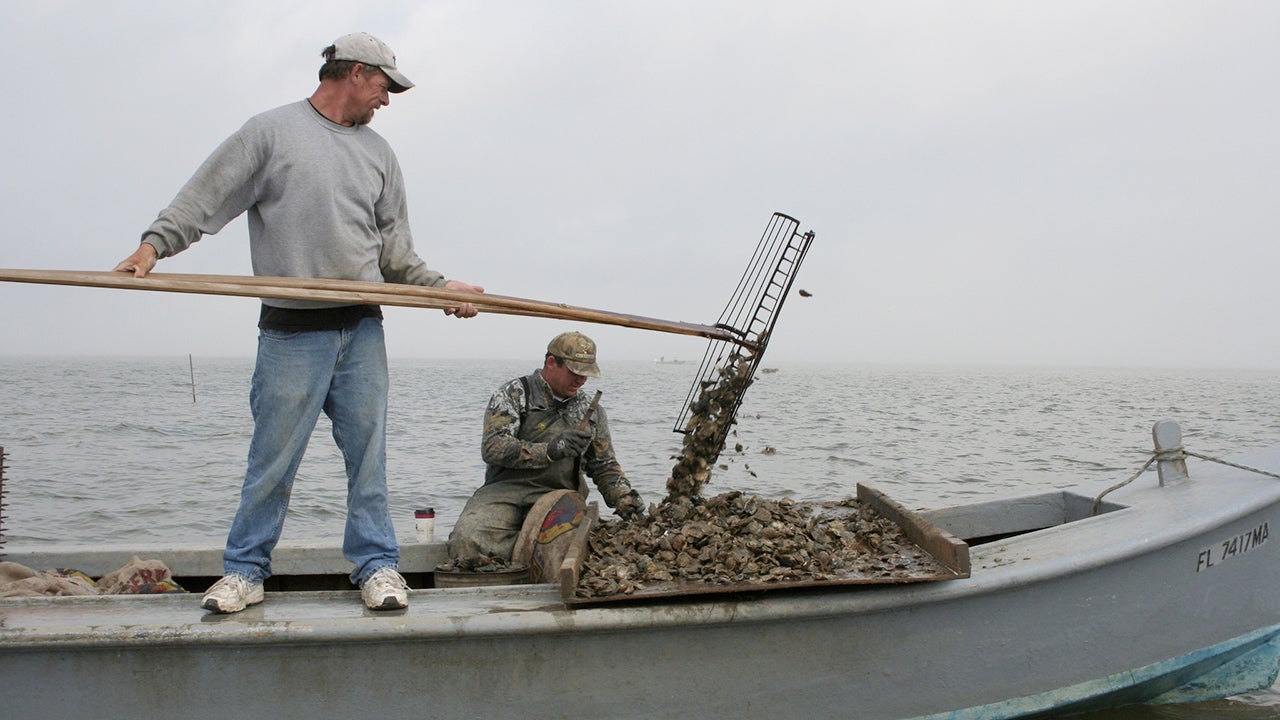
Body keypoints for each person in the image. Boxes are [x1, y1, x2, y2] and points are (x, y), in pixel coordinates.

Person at [114, 32, 484, 613]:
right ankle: (245, 572)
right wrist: (151, 248)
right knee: (271, 464)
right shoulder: (270, 132)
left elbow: (396, 256)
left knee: (369, 461)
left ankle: (378, 567)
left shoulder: (380, 154)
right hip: (290, 333)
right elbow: (202, 197)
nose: (387, 100)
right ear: (357, 73)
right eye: (386, 86)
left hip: (361, 329)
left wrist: (439, 291)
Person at [448, 331, 644, 562]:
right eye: (575, 373)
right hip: (504, 491)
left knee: (565, 551)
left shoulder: (592, 412)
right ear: (552, 362)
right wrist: (551, 450)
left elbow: (604, 465)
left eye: (586, 374)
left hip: (559, 496)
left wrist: (624, 500)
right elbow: (493, 447)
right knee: (466, 539)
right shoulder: (514, 394)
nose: (581, 381)